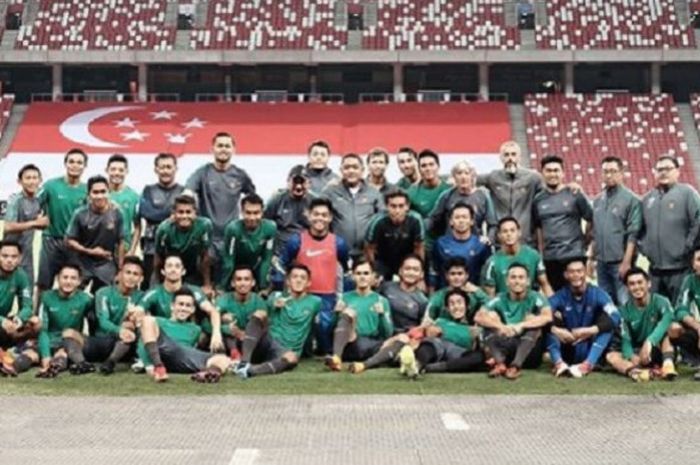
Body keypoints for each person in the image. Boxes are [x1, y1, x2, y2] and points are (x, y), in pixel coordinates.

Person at [275, 198, 350, 353]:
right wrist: (286, 293)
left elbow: (345, 271)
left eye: (324, 215)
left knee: (324, 335)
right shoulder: (296, 241)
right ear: (308, 215)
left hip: (328, 297)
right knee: (300, 344)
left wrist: (341, 298)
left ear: (330, 218)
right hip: (302, 296)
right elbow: (281, 266)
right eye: (316, 214)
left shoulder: (338, 243)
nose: (320, 218)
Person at [185, 132, 256, 283]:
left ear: (233, 150)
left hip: (231, 238)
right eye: (220, 145)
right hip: (207, 239)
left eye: (227, 146)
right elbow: (188, 192)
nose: (223, 149)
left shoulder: (240, 175)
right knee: (205, 283)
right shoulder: (202, 173)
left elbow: (253, 199)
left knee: (228, 283)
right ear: (212, 149)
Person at [235, 264, 322, 378]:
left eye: (302, 278)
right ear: (288, 281)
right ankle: (244, 362)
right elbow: (264, 313)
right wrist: (273, 305)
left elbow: (322, 324)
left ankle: (250, 371)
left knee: (292, 358)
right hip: (268, 342)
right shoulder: (276, 296)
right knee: (259, 314)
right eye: (295, 277)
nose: (299, 280)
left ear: (308, 283)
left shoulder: (316, 302)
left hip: (286, 351)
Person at [65, 256, 145, 375]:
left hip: (123, 345)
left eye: (135, 274)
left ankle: (110, 363)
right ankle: (82, 363)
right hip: (100, 341)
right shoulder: (103, 293)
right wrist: (119, 330)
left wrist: (130, 326)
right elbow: (103, 321)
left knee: (129, 329)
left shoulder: (143, 297)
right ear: (119, 274)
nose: (131, 277)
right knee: (69, 334)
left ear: (141, 278)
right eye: (128, 272)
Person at [474, 263, 553, 380]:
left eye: (521, 277)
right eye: (513, 277)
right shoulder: (499, 298)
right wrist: (500, 327)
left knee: (533, 321)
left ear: (528, 281)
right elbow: (478, 317)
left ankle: (516, 366)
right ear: (507, 281)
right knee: (489, 319)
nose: (517, 281)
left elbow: (548, 316)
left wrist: (521, 325)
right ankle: (500, 364)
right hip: (506, 346)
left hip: (529, 352)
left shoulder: (536, 297)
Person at [138, 288, 234, 383]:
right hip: (164, 349)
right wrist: (148, 365)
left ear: (192, 310)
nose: (183, 308)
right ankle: (159, 368)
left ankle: (210, 374)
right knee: (147, 320)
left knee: (222, 358)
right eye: (180, 304)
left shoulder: (196, 329)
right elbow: (142, 342)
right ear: (172, 306)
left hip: (184, 357)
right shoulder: (158, 321)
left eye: (188, 305)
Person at [639, 156, 700, 302]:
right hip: (655, 270)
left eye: (668, 169)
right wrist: (645, 249)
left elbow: (698, 222)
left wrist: (688, 247)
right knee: (656, 313)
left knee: (680, 313)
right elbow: (639, 229)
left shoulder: (687, 193)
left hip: (680, 268)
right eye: (660, 169)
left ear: (677, 172)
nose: (663, 173)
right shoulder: (647, 199)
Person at [547, 259, 620, 378]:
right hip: (569, 344)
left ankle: (588, 365)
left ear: (585, 272)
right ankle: (559, 364)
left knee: (608, 327)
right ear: (566, 275)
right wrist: (557, 330)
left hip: (591, 345)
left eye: (579, 271)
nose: (576, 275)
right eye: (571, 272)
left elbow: (616, 316)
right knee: (548, 328)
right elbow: (541, 315)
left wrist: (590, 330)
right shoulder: (560, 295)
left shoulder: (598, 293)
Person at [136, 254, 223, 353]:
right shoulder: (154, 292)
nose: (173, 269)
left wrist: (216, 334)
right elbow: (138, 311)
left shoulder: (194, 291)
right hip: (163, 334)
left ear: (183, 271)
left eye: (177, 266)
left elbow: (213, 311)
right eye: (169, 266)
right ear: (163, 271)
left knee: (208, 326)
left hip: (188, 333)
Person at [532, 155, 593, 291]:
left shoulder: (575, 194)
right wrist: (542, 254)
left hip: (574, 255)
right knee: (556, 297)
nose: (553, 174)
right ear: (542, 173)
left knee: (578, 294)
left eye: (556, 170)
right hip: (551, 258)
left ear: (563, 173)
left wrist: (587, 242)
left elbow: (591, 218)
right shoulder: (538, 200)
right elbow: (539, 229)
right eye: (549, 170)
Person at [606, 267, 677, 382]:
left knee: (670, 330)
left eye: (640, 282)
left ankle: (668, 366)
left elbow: (667, 320)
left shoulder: (661, 301)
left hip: (657, 348)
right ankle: (636, 372)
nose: (637, 287)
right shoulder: (623, 311)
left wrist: (650, 341)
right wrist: (631, 356)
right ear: (627, 288)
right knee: (611, 356)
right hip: (638, 351)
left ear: (648, 284)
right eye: (632, 284)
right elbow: (626, 339)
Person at [397, 288, 485, 378]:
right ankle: (417, 364)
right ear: (447, 308)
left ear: (467, 306)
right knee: (429, 345)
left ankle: (428, 368)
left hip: (458, 354)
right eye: (452, 304)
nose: (456, 307)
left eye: (459, 303)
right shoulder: (440, 321)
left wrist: (445, 332)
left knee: (478, 357)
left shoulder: (474, 327)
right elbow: (431, 332)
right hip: (439, 347)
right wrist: (467, 335)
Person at [324, 260, 393, 371]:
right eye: (358, 273)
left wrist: (381, 316)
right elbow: (329, 331)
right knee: (348, 314)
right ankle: (336, 358)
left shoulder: (381, 300)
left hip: (371, 344)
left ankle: (358, 364)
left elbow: (387, 334)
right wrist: (336, 314)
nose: (362, 277)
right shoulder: (344, 298)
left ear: (373, 276)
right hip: (349, 344)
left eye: (366, 273)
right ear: (353, 276)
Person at [591, 156, 642, 305]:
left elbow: (633, 234)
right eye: (605, 171)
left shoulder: (632, 200)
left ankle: (626, 329)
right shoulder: (598, 200)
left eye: (613, 171)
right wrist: (591, 257)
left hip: (620, 262)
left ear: (621, 173)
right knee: (606, 303)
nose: (609, 175)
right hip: (601, 262)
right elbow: (595, 232)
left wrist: (626, 262)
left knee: (625, 302)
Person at [37, 148, 88, 293]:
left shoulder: (87, 190)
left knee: (75, 284)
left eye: (79, 162)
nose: (75, 165)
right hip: (51, 241)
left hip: (75, 244)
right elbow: (34, 203)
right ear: (65, 164)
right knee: (43, 283)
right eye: (71, 161)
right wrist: (37, 218)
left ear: (84, 166)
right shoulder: (50, 186)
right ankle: (37, 314)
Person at [65, 175, 125, 295]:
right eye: (95, 192)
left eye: (103, 192)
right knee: (72, 295)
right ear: (89, 194)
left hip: (106, 263)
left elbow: (121, 242)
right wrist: (90, 251)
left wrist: (121, 269)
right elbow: (68, 240)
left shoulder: (117, 213)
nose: (99, 196)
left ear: (109, 192)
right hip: (82, 262)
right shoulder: (80, 214)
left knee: (104, 297)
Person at [476, 141, 542, 245]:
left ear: (519, 157)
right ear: (501, 158)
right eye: (506, 155)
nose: (510, 158)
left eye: (513, 154)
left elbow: (550, 188)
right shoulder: (493, 177)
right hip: (501, 240)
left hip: (525, 239)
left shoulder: (533, 177)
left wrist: (570, 187)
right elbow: (470, 180)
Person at [322, 153, 384, 263]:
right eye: (347, 167)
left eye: (355, 167)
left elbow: (382, 219)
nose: (351, 171)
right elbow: (319, 215)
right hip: (338, 252)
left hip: (367, 253)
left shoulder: (373, 193)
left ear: (363, 170)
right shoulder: (330, 192)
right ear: (341, 170)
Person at [35, 264, 94, 378]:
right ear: (57, 278)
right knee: (31, 355)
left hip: (70, 342)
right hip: (49, 340)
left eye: (73, 278)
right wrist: (46, 356)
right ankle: (9, 369)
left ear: (79, 281)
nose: (68, 282)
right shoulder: (46, 297)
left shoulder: (86, 299)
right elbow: (43, 330)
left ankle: (53, 369)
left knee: (62, 353)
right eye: (65, 277)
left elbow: (95, 322)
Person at [138, 152, 185, 290]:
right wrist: (171, 213)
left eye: (169, 167)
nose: (165, 171)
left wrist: (173, 214)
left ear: (175, 169)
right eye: (162, 167)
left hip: (177, 247)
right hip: (151, 248)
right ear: (156, 169)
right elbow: (146, 212)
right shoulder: (148, 190)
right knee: (150, 285)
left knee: (177, 286)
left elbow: (188, 216)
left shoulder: (183, 191)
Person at [154, 194, 213, 293]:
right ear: (174, 213)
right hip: (172, 268)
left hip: (193, 269)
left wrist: (207, 284)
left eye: (188, 212)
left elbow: (205, 257)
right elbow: (158, 259)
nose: (184, 216)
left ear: (195, 213)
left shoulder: (204, 226)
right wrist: (158, 283)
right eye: (180, 212)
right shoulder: (164, 229)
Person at [482, 217, 552, 297]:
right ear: (499, 235)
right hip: (503, 307)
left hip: (529, 305)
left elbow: (545, 285)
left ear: (519, 233)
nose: (509, 234)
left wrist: (553, 306)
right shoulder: (492, 262)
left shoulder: (533, 255)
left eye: (512, 230)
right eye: (505, 231)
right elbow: (490, 297)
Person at [208, 265, 267, 360]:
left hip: (252, 341)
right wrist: (226, 328)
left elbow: (265, 327)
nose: (242, 283)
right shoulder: (225, 299)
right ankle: (232, 354)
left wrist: (245, 334)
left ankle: (246, 358)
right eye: (239, 279)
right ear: (233, 283)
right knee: (225, 320)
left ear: (253, 283)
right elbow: (212, 315)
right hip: (230, 341)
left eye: (246, 279)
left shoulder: (258, 301)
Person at [428, 161, 497, 242]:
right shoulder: (446, 195)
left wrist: (489, 239)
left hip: (475, 245)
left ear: (472, 176)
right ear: (454, 177)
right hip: (450, 244)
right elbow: (433, 219)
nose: (463, 177)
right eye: (459, 173)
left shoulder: (483, 196)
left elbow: (493, 224)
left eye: (467, 173)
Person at [220, 194, 276, 292]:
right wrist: (222, 287)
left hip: (254, 266)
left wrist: (263, 286)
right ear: (241, 212)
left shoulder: (270, 228)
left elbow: (266, 259)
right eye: (248, 213)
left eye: (256, 213)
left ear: (262, 212)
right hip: (234, 266)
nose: (252, 217)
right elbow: (229, 261)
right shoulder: (233, 229)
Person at [364, 190, 425, 282]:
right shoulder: (377, 221)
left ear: (407, 207)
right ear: (387, 206)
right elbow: (369, 248)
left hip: (407, 259)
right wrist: (373, 272)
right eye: (393, 206)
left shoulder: (416, 220)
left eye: (401, 206)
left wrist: (420, 275)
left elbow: (419, 247)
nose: (397, 210)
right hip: (383, 260)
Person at [431, 203, 491, 290]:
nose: (461, 221)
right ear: (451, 221)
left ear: (472, 221)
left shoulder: (481, 245)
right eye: (457, 217)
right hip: (446, 294)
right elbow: (434, 271)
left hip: (472, 293)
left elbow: (486, 275)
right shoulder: (440, 244)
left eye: (464, 217)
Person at [3, 164, 46, 286]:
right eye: (28, 178)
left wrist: (42, 223)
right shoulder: (15, 200)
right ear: (19, 181)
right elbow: (8, 227)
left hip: (27, 257)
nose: (32, 181)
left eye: (35, 178)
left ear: (40, 180)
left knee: (28, 292)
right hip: (8, 256)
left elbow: (45, 221)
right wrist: (34, 223)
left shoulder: (41, 200)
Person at [264, 165, 314, 257]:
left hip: (307, 252)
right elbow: (264, 225)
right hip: (280, 252)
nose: (298, 186)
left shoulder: (315, 202)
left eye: (302, 182)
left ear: (309, 183)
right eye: (295, 182)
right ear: (288, 181)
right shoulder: (277, 199)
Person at [422, 257, 489, 326]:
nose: (456, 277)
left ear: (467, 275)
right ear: (446, 276)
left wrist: (478, 291)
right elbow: (427, 319)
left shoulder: (476, 295)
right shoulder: (437, 297)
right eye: (452, 274)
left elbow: (491, 306)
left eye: (460, 274)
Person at [0, 241, 38, 350]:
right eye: (5, 256)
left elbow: (27, 305)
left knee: (36, 324)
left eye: (14, 256)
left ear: (20, 258)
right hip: (2, 321)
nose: (9, 260)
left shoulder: (20, 275)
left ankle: (13, 348)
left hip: (6, 323)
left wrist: (19, 319)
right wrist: (2, 321)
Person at [379, 254, 429, 334]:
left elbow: (422, 327)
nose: (411, 273)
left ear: (421, 274)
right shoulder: (386, 287)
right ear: (400, 271)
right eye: (407, 268)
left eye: (415, 270)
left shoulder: (423, 301)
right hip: (381, 334)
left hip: (405, 338)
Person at [670, 247, 700, 378]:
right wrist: (698, 327)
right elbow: (680, 310)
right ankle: (669, 362)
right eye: (699, 260)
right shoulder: (690, 280)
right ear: (693, 264)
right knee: (673, 329)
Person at [106, 154, 141, 255]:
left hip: (124, 249)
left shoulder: (134, 196)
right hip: (101, 248)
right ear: (107, 170)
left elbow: (137, 227)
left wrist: (132, 250)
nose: (117, 173)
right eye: (113, 169)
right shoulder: (99, 193)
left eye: (121, 170)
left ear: (126, 171)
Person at [407, 150, 450, 220]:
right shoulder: (411, 193)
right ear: (419, 169)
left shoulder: (449, 189)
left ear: (438, 166)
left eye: (431, 164)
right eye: (423, 166)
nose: (428, 168)